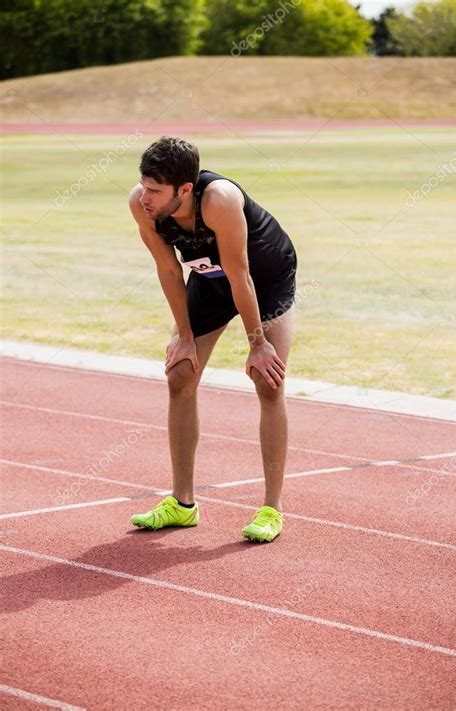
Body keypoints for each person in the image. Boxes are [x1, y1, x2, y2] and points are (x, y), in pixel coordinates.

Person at [128, 136, 297, 542]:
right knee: (180, 376)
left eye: (156, 190)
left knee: (268, 381)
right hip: (210, 279)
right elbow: (169, 272)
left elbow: (242, 275)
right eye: (144, 185)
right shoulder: (142, 206)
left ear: (185, 190)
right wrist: (183, 336)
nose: (145, 197)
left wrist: (258, 345)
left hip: (264, 279)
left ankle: (271, 509)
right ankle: (182, 504)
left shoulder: (219, 200)